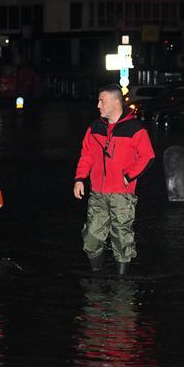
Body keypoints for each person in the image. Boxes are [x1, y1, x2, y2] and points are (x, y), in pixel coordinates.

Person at [73, 84, 155, 275]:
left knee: (122, 238)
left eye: (102, 100)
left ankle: (122, 284)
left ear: (116, 102)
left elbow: (147, 156)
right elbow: (87, 155)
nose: (98, 105)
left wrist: (129, 175)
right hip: (97, 193)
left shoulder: (135, 128)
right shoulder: (95, 128)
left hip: (122, 194)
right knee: (91, 237)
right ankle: (96, 276)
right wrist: (79, 179)